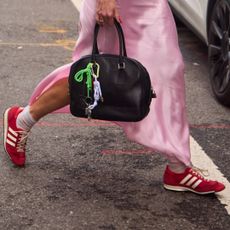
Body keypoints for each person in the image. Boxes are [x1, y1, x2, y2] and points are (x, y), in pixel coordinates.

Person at [3, 0, 225, 195]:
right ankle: (21, 120)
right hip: (116, 4)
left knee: (169, 71)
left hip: (152, 5)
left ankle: (178, 168)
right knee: (92, 76)